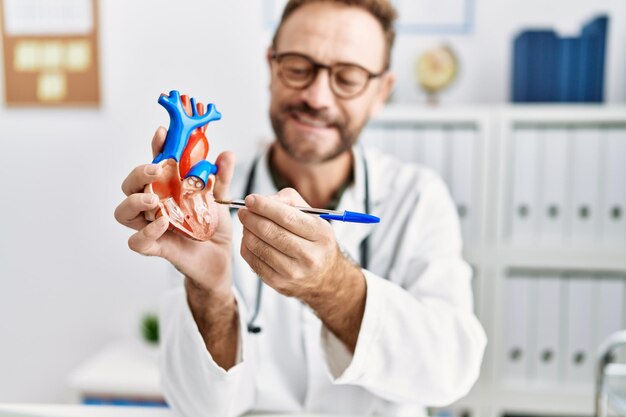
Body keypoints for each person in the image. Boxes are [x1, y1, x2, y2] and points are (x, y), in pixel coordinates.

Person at [114, 0, 487, 416]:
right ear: (271, 66)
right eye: (297, 67)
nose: (316, 96)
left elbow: (450, 372)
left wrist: (333, 286)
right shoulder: (205, 205)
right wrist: (209, 293)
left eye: (347, 77)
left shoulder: (417, 198)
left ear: (382, 92)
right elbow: (200, 406)